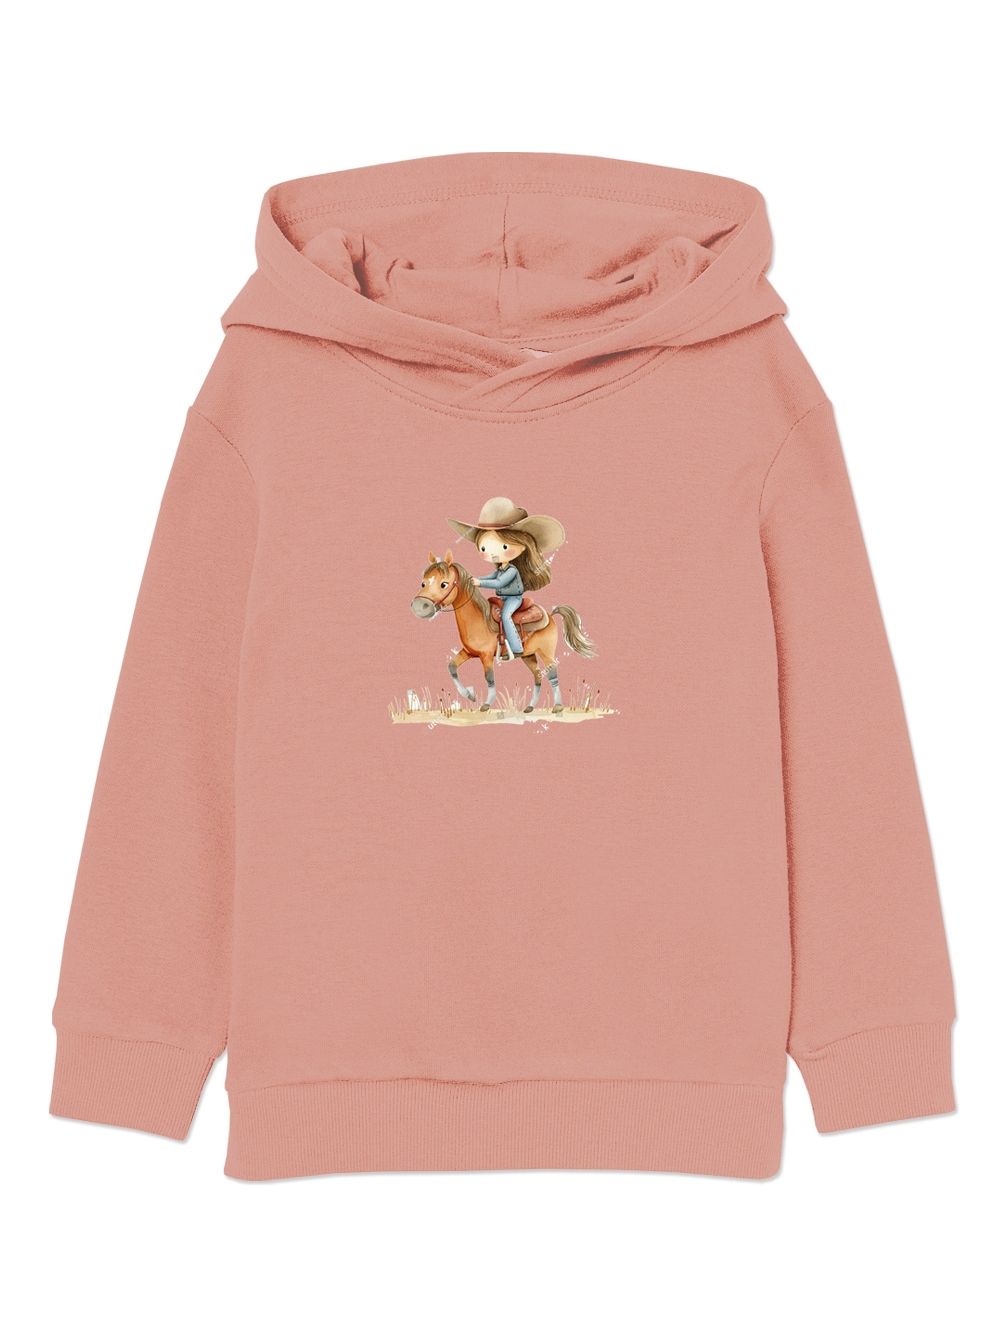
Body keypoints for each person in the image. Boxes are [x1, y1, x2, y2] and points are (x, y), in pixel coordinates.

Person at [447, 497, 566, 658]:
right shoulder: (501, 568)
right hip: (502, 598)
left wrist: (480, 582)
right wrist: (473, 579)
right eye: (484, 548)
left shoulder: (511, 571)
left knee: (505, 615)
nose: (493, 554)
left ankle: (516, 648)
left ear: (521, 546)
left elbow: (498, 582)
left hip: (513, 599)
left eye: (503, 546)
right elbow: (492, 576)